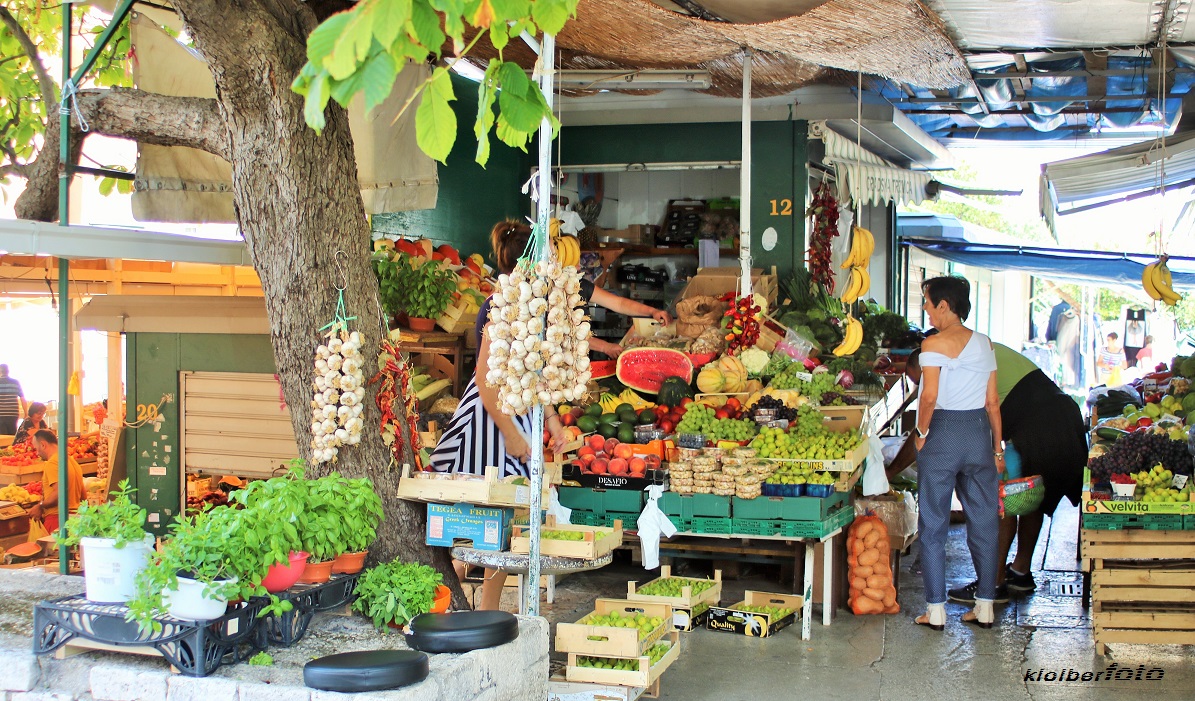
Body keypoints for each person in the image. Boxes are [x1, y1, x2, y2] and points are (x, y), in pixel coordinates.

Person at [429, 220, 672, 610]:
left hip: (519, 414)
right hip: (490, 420)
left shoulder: (537, 305)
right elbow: (484, 379)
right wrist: (509, 432)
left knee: (510, 526)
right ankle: (442, 606)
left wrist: (555, 422)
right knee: (472, 525)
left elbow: (532, 376)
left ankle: (486, 612)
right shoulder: (501, 304)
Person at [907, 341, 1086, 603]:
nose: (921, 389)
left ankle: (993, 585)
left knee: (1000, 501)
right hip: (1063, 418)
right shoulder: (968, 348)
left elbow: (928, 429)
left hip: (1039, 429)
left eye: (919, 381)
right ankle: (1020, 572)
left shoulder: (955, 367)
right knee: (1030, 498)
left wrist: (891, 470)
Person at [912, 276, 1004, 631]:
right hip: (979, 435)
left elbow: (930, 397)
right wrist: (998, 446)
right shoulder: (985, 343)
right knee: (984, 521)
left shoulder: (932, 344)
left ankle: (935, 610)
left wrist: (921, 433)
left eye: (927, 302)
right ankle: (985, 607)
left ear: (944, 305)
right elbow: (992, 401)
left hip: (943, 435)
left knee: (934, 523)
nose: (925, 308)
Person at [27, 430, 87, 533]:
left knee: (55, 548)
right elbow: (83, 496)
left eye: (37, 449)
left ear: (43, 445)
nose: (37, 453)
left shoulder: (52, 463)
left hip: (58, 520)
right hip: (75, 520)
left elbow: (59, 493)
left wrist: (40, 506)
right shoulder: (71, 461)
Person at [0, 364, 25, 436]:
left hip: (0, 414)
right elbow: (22, 398)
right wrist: (26, 413)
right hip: (13, 414)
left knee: (2, 438)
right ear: (8, 371)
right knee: (12, 437)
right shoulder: (15, 382)